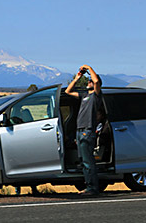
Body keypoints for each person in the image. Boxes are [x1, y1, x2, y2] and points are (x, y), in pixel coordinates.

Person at [65, 64, 102, 196]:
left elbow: (97, 81)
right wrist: (77, 78)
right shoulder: (84, 95)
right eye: (88, 80)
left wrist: (89, 68)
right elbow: (67, 92)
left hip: (88, 131)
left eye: (90, 81)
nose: (89, 82)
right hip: (79, 131)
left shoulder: (96, 96)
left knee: (88, 161)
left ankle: (93, 188)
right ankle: (89, 186)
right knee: (83, 161)